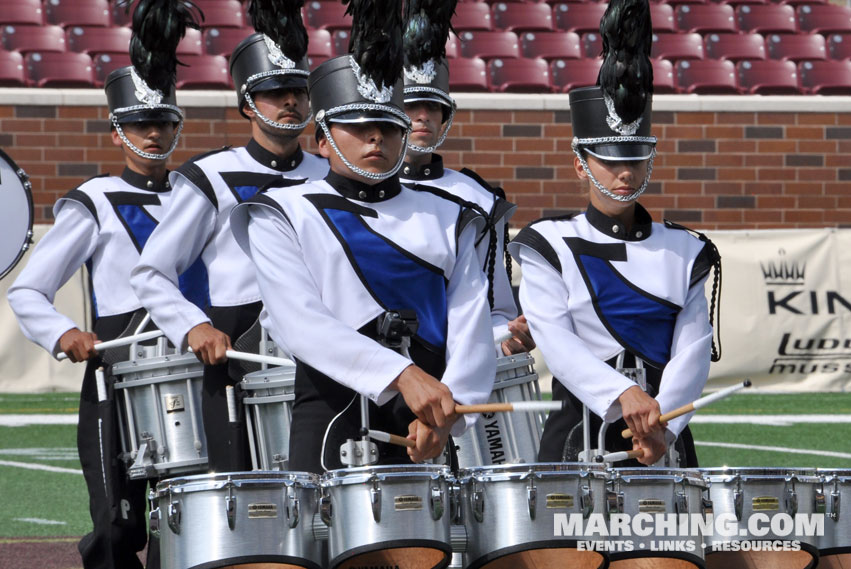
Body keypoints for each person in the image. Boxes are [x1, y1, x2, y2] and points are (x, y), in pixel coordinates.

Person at [229, 0, 496, 475]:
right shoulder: (281, 212)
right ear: (323, 139)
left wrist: (449, 411)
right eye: (358, 128)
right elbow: (300, 323)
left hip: (430, 420)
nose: (376, 140)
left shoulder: (453, 216)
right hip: (331, 418)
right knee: (322, 548)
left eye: (389, 128)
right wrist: (401, 375)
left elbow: (471, 326)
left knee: (436, 550)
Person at [6, 2, 198, 564]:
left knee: (196, 520)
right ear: (118, 132)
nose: (156, 132)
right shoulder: (95, 201)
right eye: (141, 123)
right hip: (117, 375)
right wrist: (64, 334)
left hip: (196, 369)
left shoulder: (201, 197)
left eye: (164, 122)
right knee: (116, 527)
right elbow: (28, 290)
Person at [508, 0, 721, 467]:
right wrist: (624, 394)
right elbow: (557, 345)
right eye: (610, 160)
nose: (624, 172)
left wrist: (663, 422)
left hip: (665, 440)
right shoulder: (548, 243)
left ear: (650, 159)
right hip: (576, 441)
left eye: (634, 158)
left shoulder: (687, 250)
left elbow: (693, 350)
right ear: (581, 165)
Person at [130, 8, 328, 472]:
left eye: (299, 91)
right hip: (237, 343)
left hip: (322, 340)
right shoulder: (210, 174)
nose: (291, 102)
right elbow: (151, 270)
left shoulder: (329, 175)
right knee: (240, 491)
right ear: (247, 104)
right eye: (275, 93)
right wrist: (192, 326)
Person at [397, 0, 534, 356]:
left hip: (455, 365)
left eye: (432, 107)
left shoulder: (480, 198)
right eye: (411, 105)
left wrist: (506, 339)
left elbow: (495, 305)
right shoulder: (349, 189)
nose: (423, 116)